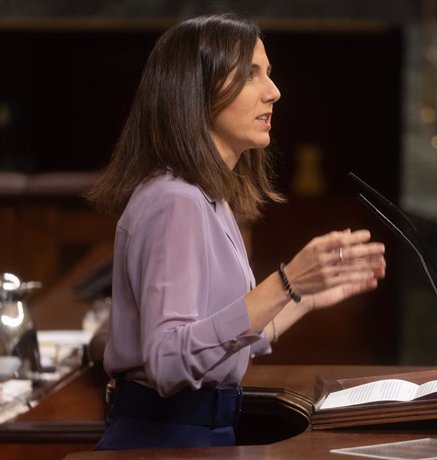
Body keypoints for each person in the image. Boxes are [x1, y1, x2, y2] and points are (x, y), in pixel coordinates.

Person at [86, 13, 386, 450]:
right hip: (166, 439)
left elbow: (219, 338)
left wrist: (303, 296)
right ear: (196, 92)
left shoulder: (206, 197)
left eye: (269, 73)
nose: (274, 91)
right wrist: (286, 282)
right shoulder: (176, 202)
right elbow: (169, 360)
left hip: (197, 432)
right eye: (251, 75)